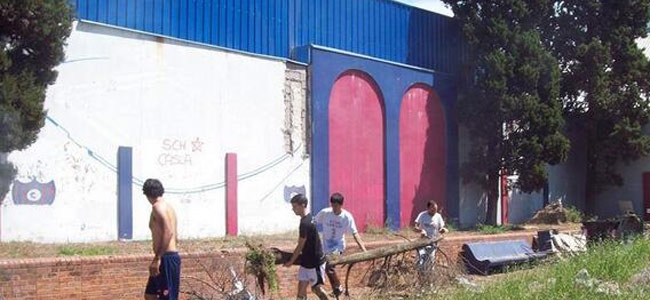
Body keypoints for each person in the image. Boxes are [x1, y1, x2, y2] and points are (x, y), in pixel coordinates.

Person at [315, 192, 367, 296]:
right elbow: (314, 222)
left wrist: (364, 250)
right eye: (332, 205)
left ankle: (338, 287)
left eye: (336, 206)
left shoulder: (347, 217)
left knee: (329, 265)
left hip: (338, 246)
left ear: (341, 205)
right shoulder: (325, 213)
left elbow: (355, 233)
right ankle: (335, 289)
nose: (334, 208)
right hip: (325, 246)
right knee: (325, 266)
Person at [283, 194, 329, 300]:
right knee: (301, 291)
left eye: (295, 207)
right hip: (306, 262)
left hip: (315, 262)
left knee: (316, 289)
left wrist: (291, 261)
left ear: (302, 205)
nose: (293, 209)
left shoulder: (305, 223)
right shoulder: (308, 218)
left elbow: (300, 245)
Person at [143, 179, 181, 300]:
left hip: (166, 258)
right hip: (166, 257)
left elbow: (169, 231)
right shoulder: (168, 207)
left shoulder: (157, 207)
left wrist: (158, 258)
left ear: (147, 194)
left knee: (167, 297)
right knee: (150, 295)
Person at [413, 200, 447, 268]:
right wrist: (421, 230)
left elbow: (441, 229)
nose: (434, 211)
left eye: (436, 209)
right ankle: (419, 274)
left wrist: (442, 230)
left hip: (433, 242)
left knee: (431, 260)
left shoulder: (438, 216)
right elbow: (415, 228)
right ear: (428, 208)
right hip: (423, 241)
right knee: (421, 259)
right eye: (433, 209)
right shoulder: (422, 215)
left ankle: (430, 275)